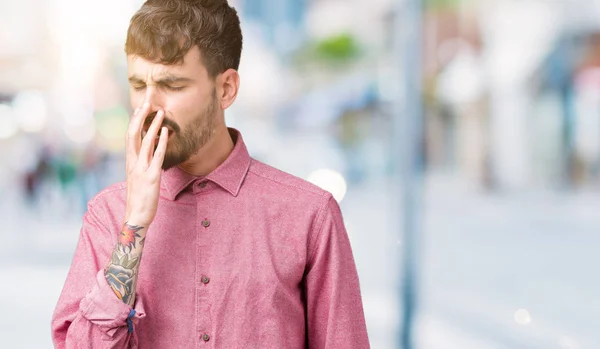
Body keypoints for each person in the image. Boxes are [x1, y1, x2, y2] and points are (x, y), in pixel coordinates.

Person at [51, 0, 370, 348]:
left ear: (226, 89)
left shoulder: (310, 215)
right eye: (139, 85)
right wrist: (136, 224)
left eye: (172, 85)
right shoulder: (109, 214)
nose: (149, 107)